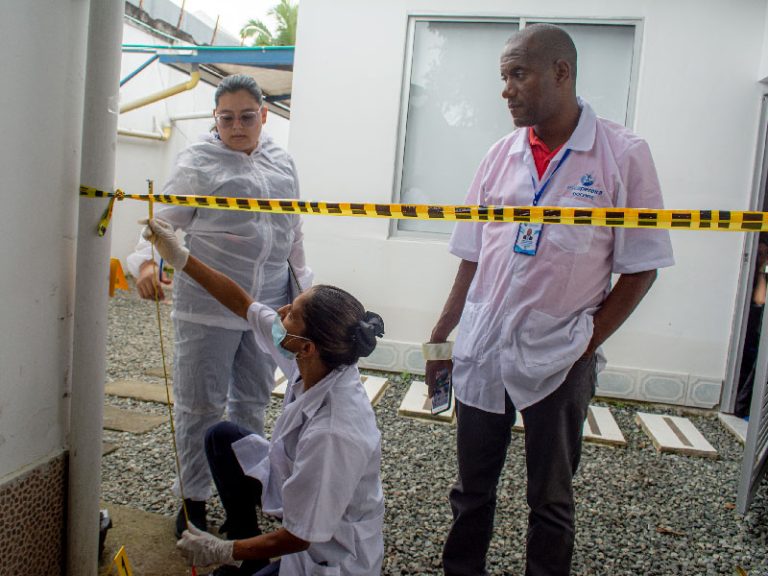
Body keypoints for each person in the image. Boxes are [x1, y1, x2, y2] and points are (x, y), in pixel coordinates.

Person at [424, 24, 675, 576]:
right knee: (470, 491)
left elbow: (642, 267)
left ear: (562, 72)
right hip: (485, 347)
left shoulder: (623, 156)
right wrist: (443, 331)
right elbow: (471, 250)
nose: (506, 89)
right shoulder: (499, 155)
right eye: (503, 76)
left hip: (562, 356)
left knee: (552, 502)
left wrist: (587, 343)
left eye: (518, 74)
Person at [142, 218, 386, 576]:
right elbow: (243, 303)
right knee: (222, 437)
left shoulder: (334, 432)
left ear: (306, 346)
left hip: (330, 560)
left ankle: (244, 552)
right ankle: (250, 555)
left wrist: (222, 549)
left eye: (292, 315)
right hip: (302, 509)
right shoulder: (315, 360)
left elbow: (301, 537)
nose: (281, 313)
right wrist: (180, 257)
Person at [126, 74, 311, 537]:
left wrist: (302, 291)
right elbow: (162, 223)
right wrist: (146, 265)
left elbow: (294, 233)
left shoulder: (282, 164)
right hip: (205, 308)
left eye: (247, 116)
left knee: (250, 402)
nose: (236, 126)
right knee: (199, 407)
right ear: (216, 118)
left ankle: (243, 498)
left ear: (264, 116)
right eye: (226, 117)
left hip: (265, 307)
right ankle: (193, 502)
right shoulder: (198, 163)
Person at [734, 233, 768, 419]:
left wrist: (763, 271)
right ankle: (742, 409)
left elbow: (759, 299)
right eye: (760, 253)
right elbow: (758, 300)